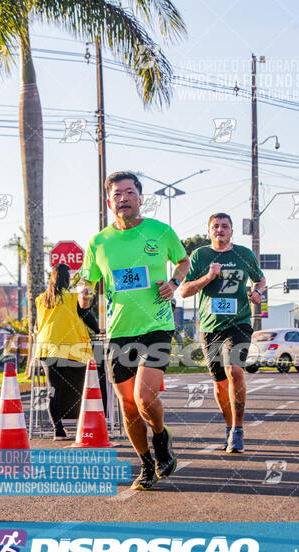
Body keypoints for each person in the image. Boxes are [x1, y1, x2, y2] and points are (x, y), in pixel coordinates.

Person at [81, 171, 190, 490]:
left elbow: (183, 262)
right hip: (118, 331)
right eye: (117, 194)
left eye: (129, 192)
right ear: (108, 202)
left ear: (140, 198)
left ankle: (160, 437)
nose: (123, 198)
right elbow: (86, 277)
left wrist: (173, 284)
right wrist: (83, 291)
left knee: (144, 397)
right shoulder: (99, 242)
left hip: (156, 326)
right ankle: (145, 463)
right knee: (128, 406)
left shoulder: (160, 231)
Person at [180, 212, 265, 453]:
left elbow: (260, 279)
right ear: (209, 231)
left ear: (231, 231)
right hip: (209, 327)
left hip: (238, 323)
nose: (220, 230)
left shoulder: (244, 254)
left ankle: (238, 430)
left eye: (225, 226)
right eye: (215, 226)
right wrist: (209, 277)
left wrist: (258, 292)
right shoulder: (200, 255)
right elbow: (184, 291)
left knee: (234, 369)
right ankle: (229, 428)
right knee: (219, 384)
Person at [35, 264, 94, 440]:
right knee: (83, 387)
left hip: (47, 346)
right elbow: (86, 315)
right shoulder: (73, 296)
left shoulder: (41, 299)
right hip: (71, 347)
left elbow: (40, 324)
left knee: (53, 390)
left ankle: (58, 430)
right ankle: (85, 427)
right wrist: (98, 329)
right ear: (67, 278)